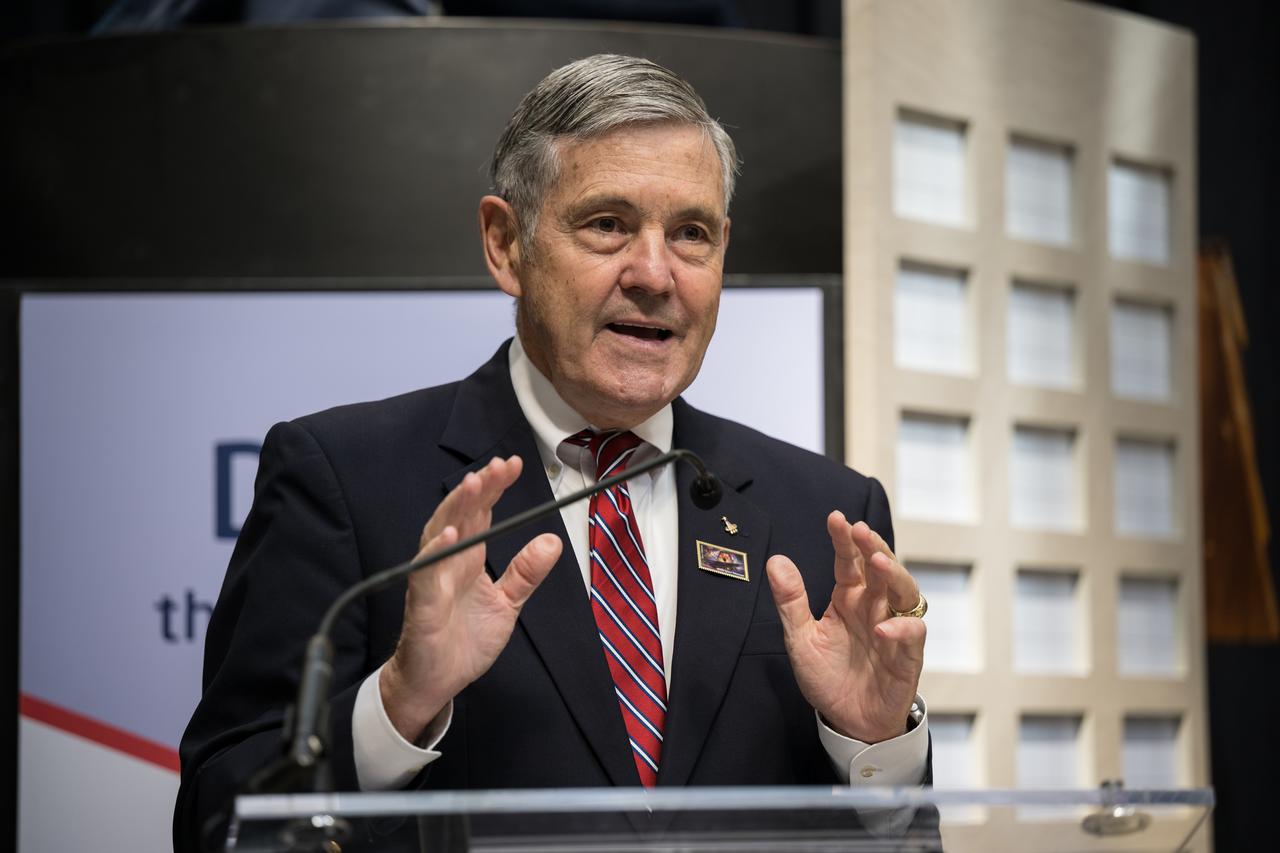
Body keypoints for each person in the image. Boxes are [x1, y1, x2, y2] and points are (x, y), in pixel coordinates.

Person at [176, 53, 931, 851]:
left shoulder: (825, 514)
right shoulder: (343, 476)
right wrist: (397, 704)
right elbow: (220, 823)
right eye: (607, 224)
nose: (654, 273)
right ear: (506, 244)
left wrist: (873, 747)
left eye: (691, 234)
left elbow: (911, 839)